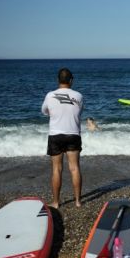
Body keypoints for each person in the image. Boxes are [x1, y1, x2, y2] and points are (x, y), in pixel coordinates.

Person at [41, 68, 83, 208]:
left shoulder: (50, 95)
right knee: (75, 168)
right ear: (71, 80)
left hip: (56, 135)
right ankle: (77, 201)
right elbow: (79, 111)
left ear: (58, 80)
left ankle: (56, 202)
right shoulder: (78, 96)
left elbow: (44, 111)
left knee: (56, 169)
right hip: (73, 134)